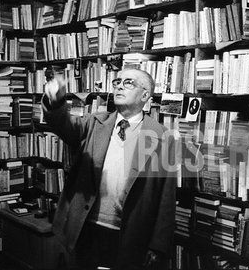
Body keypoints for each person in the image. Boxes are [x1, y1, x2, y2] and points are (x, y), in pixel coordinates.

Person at [42, 68, 179, 270]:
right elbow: (63, 125)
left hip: (129, 234)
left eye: (128, 82)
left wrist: (158, 245)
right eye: (117, 82)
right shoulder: (96, 122)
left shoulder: (162, 137)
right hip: (85, 227)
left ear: (145, 95)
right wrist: (55, 102)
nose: (119, 86)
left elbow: (166, 196)